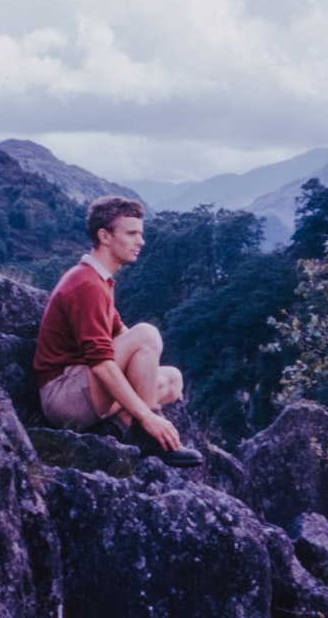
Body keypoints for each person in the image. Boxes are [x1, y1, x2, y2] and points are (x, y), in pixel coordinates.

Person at [32, 196, 204, 468]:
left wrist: (140, 378)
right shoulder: (85, 284)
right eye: (132, 233)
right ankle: (148, 437)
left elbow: (121, 337)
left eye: (141, 233)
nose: (141, 241)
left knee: (172, 380)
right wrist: (149, 417)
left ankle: (112, 431)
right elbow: (101, 363)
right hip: (64, 397)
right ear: (105, 236)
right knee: (147, 333)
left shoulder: (100, 280)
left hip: (85, 389)